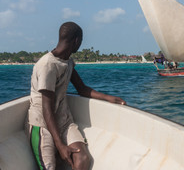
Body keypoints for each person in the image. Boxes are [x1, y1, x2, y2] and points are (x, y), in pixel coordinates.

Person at [25, 22, 126, 170]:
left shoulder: (68, 62)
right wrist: (60, 145)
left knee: (83, 159)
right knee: (49, 167)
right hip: (41, 124)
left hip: (63, 121)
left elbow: (82, 89)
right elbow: (46, 108)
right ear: (77, 41)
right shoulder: (47, 65)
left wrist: (112, 98)